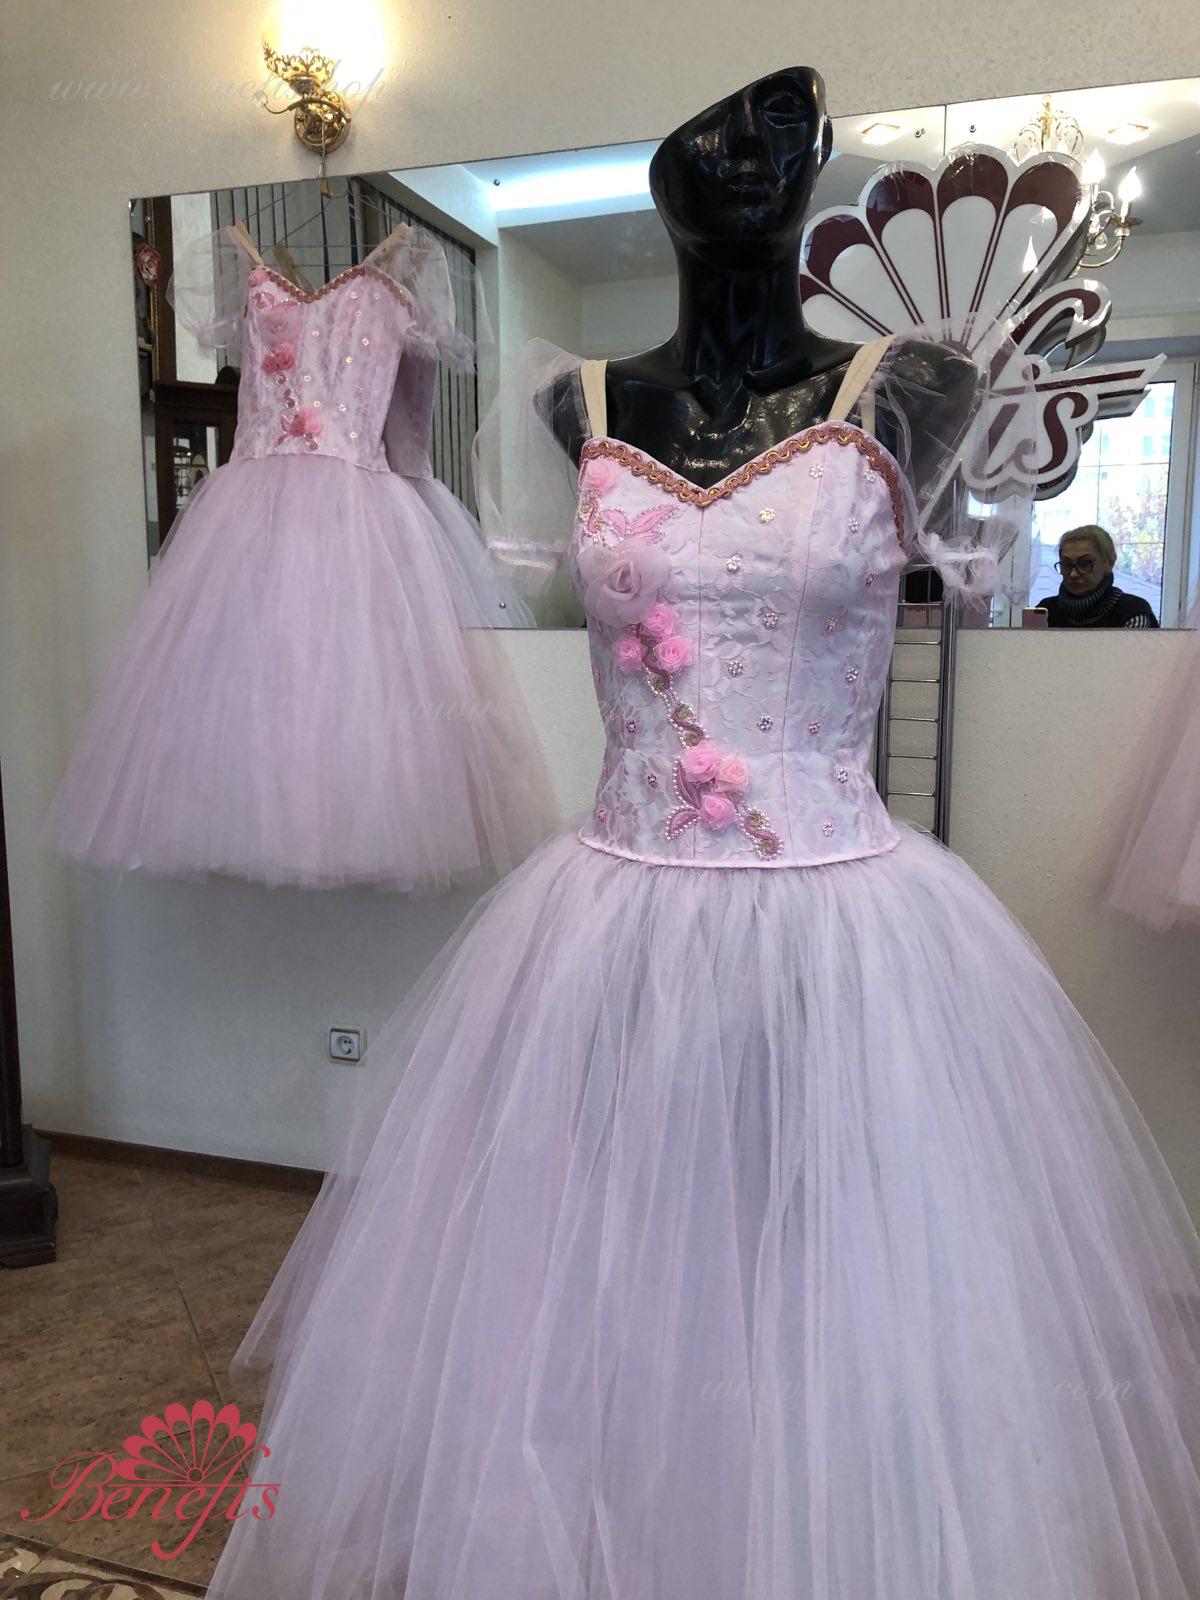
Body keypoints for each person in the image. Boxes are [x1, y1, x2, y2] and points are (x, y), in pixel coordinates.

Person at [1036, 524, 1159, 627]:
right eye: (1066, 565)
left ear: (1110, 562)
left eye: (1084, 564)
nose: (1073, 574)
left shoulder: (1132, 611)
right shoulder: (1045, 612)